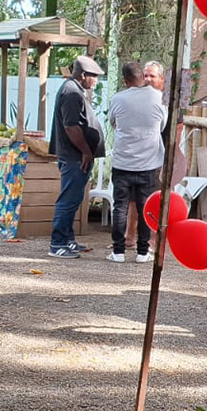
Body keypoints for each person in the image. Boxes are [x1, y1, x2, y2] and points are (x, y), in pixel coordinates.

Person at [107, 62, 167, 263]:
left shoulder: (118, 98)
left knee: (120, 207)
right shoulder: (159, 98)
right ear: (142, 76)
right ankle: (143, 252)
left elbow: (113, 122)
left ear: (125, 81)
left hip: (122, 162)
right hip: (148, 164)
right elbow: (162, 125)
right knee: (145, 208)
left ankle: (118, 251)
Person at [48, 56, 105, 259]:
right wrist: (86, 151)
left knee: (74, 198)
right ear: (83, 75)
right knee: (68, 199)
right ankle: (57, 244)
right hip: (74, 157)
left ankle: (68, 239)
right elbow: (71, 127)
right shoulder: (71, 92)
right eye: (94, 76)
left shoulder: (74, 89)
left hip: (76, 156)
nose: (96, 80)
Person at [125, 60, 169, 251]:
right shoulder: (136, 98)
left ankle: (153, 240)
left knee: (156, 200)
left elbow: (176, 128)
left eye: (153, 76)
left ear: (162, 79)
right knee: (134, 199)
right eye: (146, 75)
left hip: (159, 158)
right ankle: (129, 238)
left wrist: (170, 158)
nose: (148, 79)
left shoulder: (167, 100)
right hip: (137, 158)